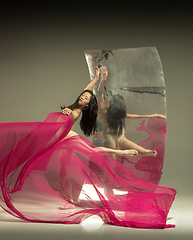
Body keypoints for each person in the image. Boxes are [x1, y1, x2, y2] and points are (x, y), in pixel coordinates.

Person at [0, 66, 176, 229]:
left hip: (65, 138)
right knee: (60, 171)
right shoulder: (72, 107)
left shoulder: (75, 111)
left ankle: (120, 152)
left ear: (86, 107)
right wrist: (98, 77)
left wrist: (96, 85)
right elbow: (87, 90)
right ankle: (69, 199)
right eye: (83, 96)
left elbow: (90, 97)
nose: (84, 97)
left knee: (91, 151)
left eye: (86, 99)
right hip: (54, 139)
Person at [98, 66, 166, 160]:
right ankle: (144, 151)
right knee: (113, 163)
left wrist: (153, 115)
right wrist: (103, 79)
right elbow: (99, 94)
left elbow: (134, 116)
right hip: (111, 139)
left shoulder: (117, 114)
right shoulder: (105, 112)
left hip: (119, 137)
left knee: (141, 151)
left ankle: (145, 151)